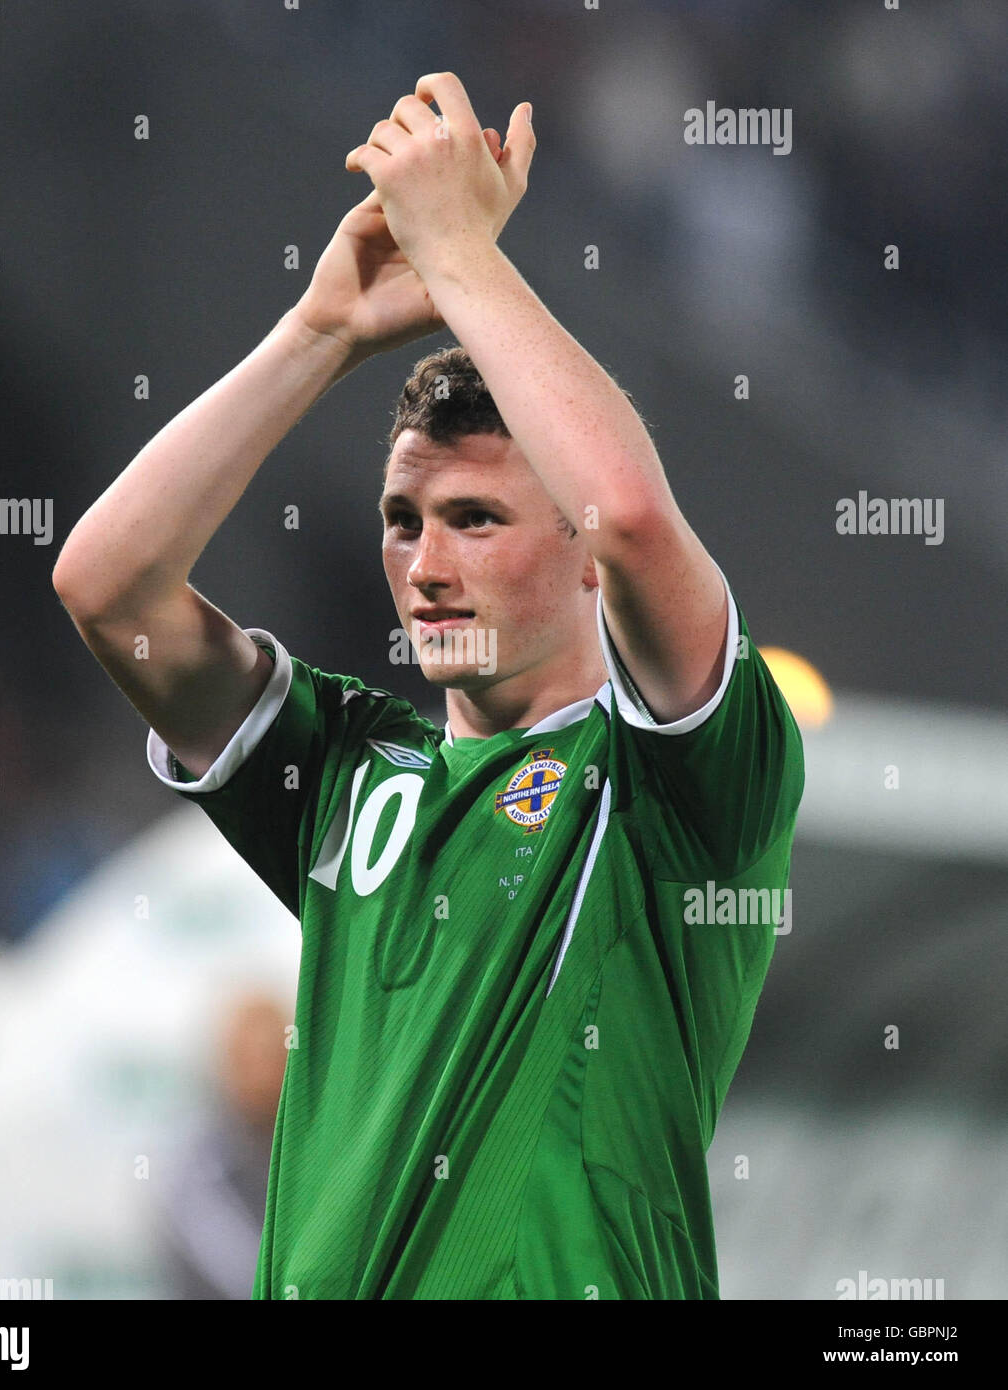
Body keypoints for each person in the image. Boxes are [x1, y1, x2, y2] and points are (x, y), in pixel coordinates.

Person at [52, 72, 804, 1299]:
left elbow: (629, 515)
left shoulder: (683, 783)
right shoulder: (351, 774)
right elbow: (108, 587)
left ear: (576, 560)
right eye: (402, 519)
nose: (426, 565)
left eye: (473, 519)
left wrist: (462, 258)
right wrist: (319, 336)